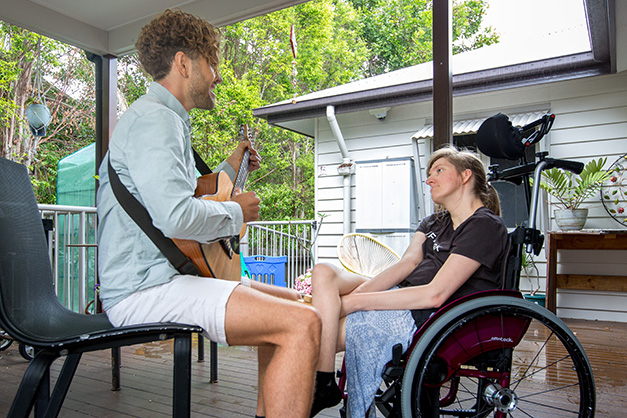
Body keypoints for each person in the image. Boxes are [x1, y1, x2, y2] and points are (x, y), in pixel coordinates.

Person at [96, 9, 321, 418]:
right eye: (212, 62)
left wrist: (231, 169)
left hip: (163, 280)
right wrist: (237, 212)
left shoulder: (162, 121)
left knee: (298, 307)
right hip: (144, 291)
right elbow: (177, 217)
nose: (217, 75)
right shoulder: (155, 122)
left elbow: (185, 195)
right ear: (184, 63)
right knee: (300, 323)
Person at [309, 146, 509, 417]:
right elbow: (406, 265)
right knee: (323, 272)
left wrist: (354, 302)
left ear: (465, 176)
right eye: (429, 173)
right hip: (401, 292)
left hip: (429, 313)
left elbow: (435, 295)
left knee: (313, 331)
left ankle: (318, 385)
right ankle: (324, 379)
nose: (429, 179)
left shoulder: (484, 226)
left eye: (439, 170)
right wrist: (351, 301)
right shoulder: (433, 222)